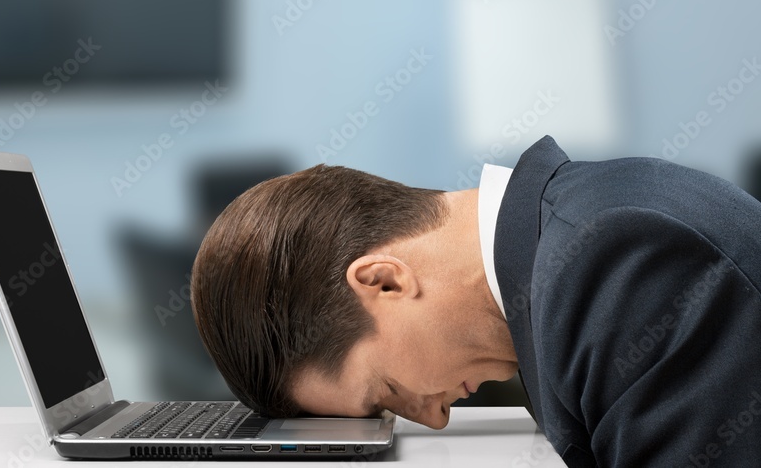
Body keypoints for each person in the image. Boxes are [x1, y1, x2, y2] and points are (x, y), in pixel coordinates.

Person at [190, 135, 761, 467]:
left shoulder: (614, 261)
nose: (434, 419)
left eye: (390, 393)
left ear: (384, 282)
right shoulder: (569, 238)